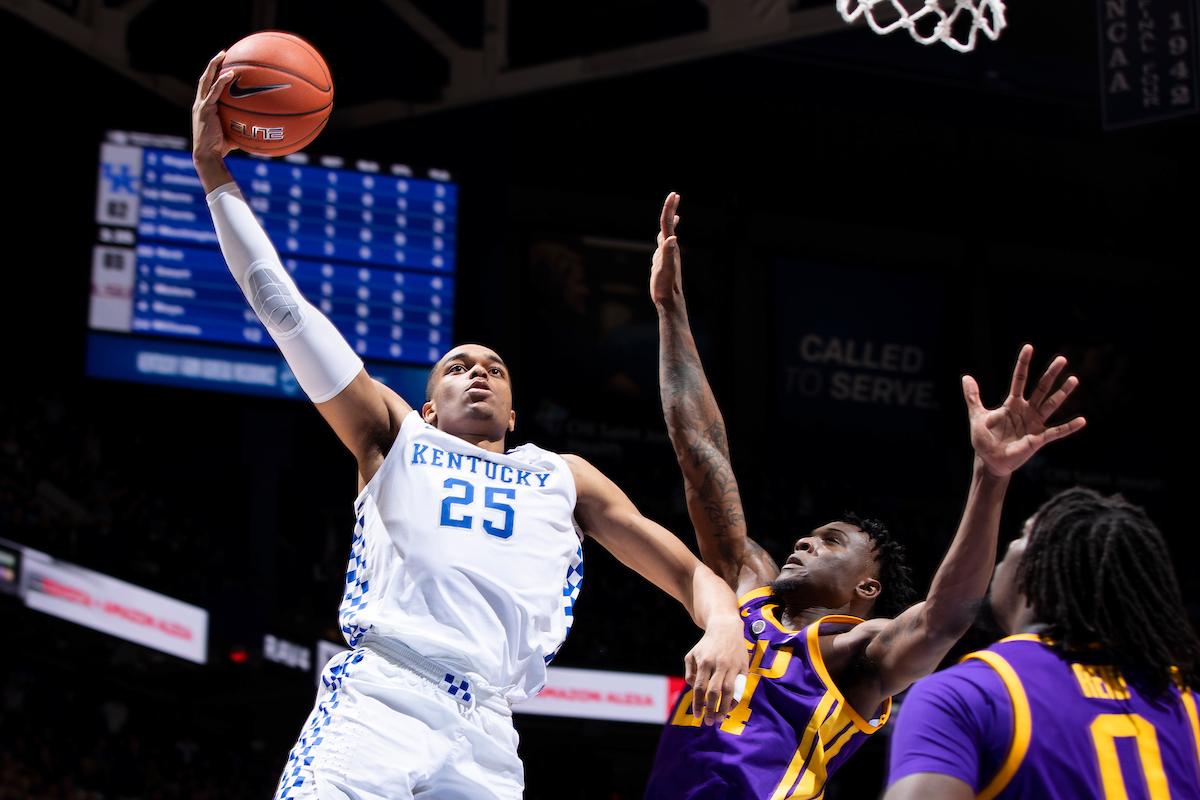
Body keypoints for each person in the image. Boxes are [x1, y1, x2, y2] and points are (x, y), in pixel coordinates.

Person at [191, 57, 748, 800]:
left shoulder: (563, 474)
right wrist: (213, 175)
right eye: (456, 366)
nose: (477, 371)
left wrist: (723, 627)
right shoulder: (396, 438)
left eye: (493, 366)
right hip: (383, 698)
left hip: (489, 727)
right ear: (427, 407)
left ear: (514, 414)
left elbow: (691, 575)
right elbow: (284, 311)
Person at [642, 192, 1087, 800]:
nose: (802, 541)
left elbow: (942, 619)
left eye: (831, 543)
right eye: (812, 534)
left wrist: (990, 476)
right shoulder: (746, 598)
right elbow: (702, 454)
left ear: (866, 591)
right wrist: (670, 308)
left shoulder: (855, 655)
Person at [884, 487, 1200, 800]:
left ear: (1037, 565)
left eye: (1022, 535)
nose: (1008, 546)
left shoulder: (968, 693)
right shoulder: (1186, 703)